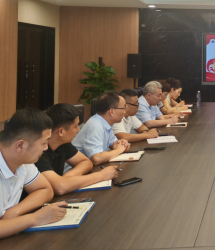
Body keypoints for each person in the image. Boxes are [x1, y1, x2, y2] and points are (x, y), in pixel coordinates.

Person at [0, 109, 68, 239]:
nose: (46, 148)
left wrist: (13, 213)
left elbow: (45, 189)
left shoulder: (22, 161)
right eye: (44, 143)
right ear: (20, 145)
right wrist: (36, 218)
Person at [37, 104, 119, 196]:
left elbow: (86, 162)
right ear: (61, 131)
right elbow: (60, 187)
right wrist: (101, 175)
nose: (78, 130)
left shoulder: (63, 143)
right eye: (75, 126)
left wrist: (66, 178)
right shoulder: (38, 152)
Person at [72, 92, 131, 165]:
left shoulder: (106, 123)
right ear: (111, 111)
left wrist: (122, 144)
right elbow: (96, 158)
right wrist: (119, 150)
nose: (124, 112)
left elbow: (114, 144)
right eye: (123, 108)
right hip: (74, 169)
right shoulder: (96, 126)